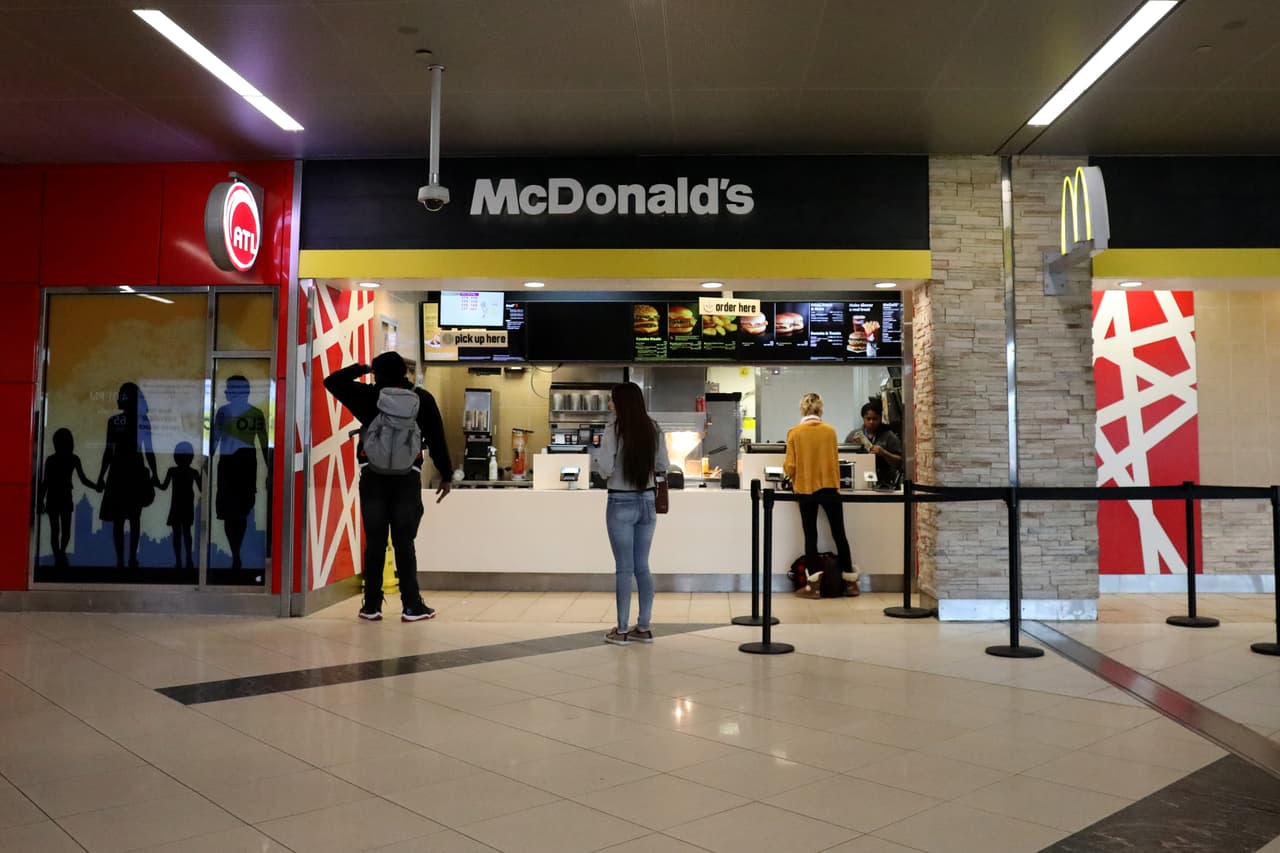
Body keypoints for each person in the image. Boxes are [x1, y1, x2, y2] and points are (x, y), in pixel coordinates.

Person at [324, 351, 453, 622]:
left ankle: (371, 606)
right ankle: (411, 606)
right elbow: (437, 437)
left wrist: (361, 368)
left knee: (375, 543)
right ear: (404, 372)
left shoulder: (368, 396)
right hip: (407, 479)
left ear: (377, 373)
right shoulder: (422, 398)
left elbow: (332, 381)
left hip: (373, 478)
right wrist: (446, 474)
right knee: (404, 543)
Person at [592, 382, 669, 645]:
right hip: (647, 500)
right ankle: (644, 627)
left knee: (623, 569)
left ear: (622, 403)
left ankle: (622, 629)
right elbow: (663, 465)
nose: (610, 404)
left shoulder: (614, 429)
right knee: (642, 567)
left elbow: (604, 468)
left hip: (620, 502)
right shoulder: (653, 428)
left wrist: (599, 463)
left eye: (612, 400)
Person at [785, 393, 857, 597]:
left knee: (811, 535)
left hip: (806, 489)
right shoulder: (830, 431)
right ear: (820, 409)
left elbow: (790, 467)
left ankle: (814, 587)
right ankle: (851, 583)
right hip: (830, 487)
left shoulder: (794, 433)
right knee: (839, 534)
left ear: (802, 409)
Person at [210, 376, 270, 572]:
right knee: (231, 512)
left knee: (242, 510)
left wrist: (270, 468)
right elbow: (214, 439)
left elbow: (263, 443)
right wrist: (207, 458)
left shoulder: (254, 413)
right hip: (231, 463)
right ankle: (235, 553)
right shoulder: (224, 412)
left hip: (243, 463)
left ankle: (237, 552)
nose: (229, 392)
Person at [97, 383, 159, 569]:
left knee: (118, 519)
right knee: (134, 517)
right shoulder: (143, 421)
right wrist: (155, 473)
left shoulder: (114, 421)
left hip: (118, 471)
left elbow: (109, 451)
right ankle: (132, 558)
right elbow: (149, 451)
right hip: (135, 470)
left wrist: (101, 475)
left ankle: (120, 560)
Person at [38, 428, 100, 567]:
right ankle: (61, 554)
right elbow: (83, 479)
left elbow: (45, 483)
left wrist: (40, 500)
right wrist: (95, 486)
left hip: (54, 498)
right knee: (65, 530)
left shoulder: (51, 460)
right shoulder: (73, 459)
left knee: (56, 531)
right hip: (65, 497)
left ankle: (58, 556)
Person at [158, 441, 201, 571]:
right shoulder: (193, 472)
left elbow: (163, 486)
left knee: (177, 534)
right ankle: (187, 559)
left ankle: (179, 561)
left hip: (177, 505)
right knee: (186, 533)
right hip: (186, 504)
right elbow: (202, 488)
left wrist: (154, 482)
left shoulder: (173, 471)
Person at [846, 401, 904, 488]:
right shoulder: (853, 435)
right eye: (868, 419)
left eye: (875, 419)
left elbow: (900, 462)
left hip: (885, 484)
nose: (871, 422)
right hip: (859, 483)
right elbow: (845, 459)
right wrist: (854, 448)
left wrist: (884, 453)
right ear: (863, 418)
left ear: (880, 418)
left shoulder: (889, 435)